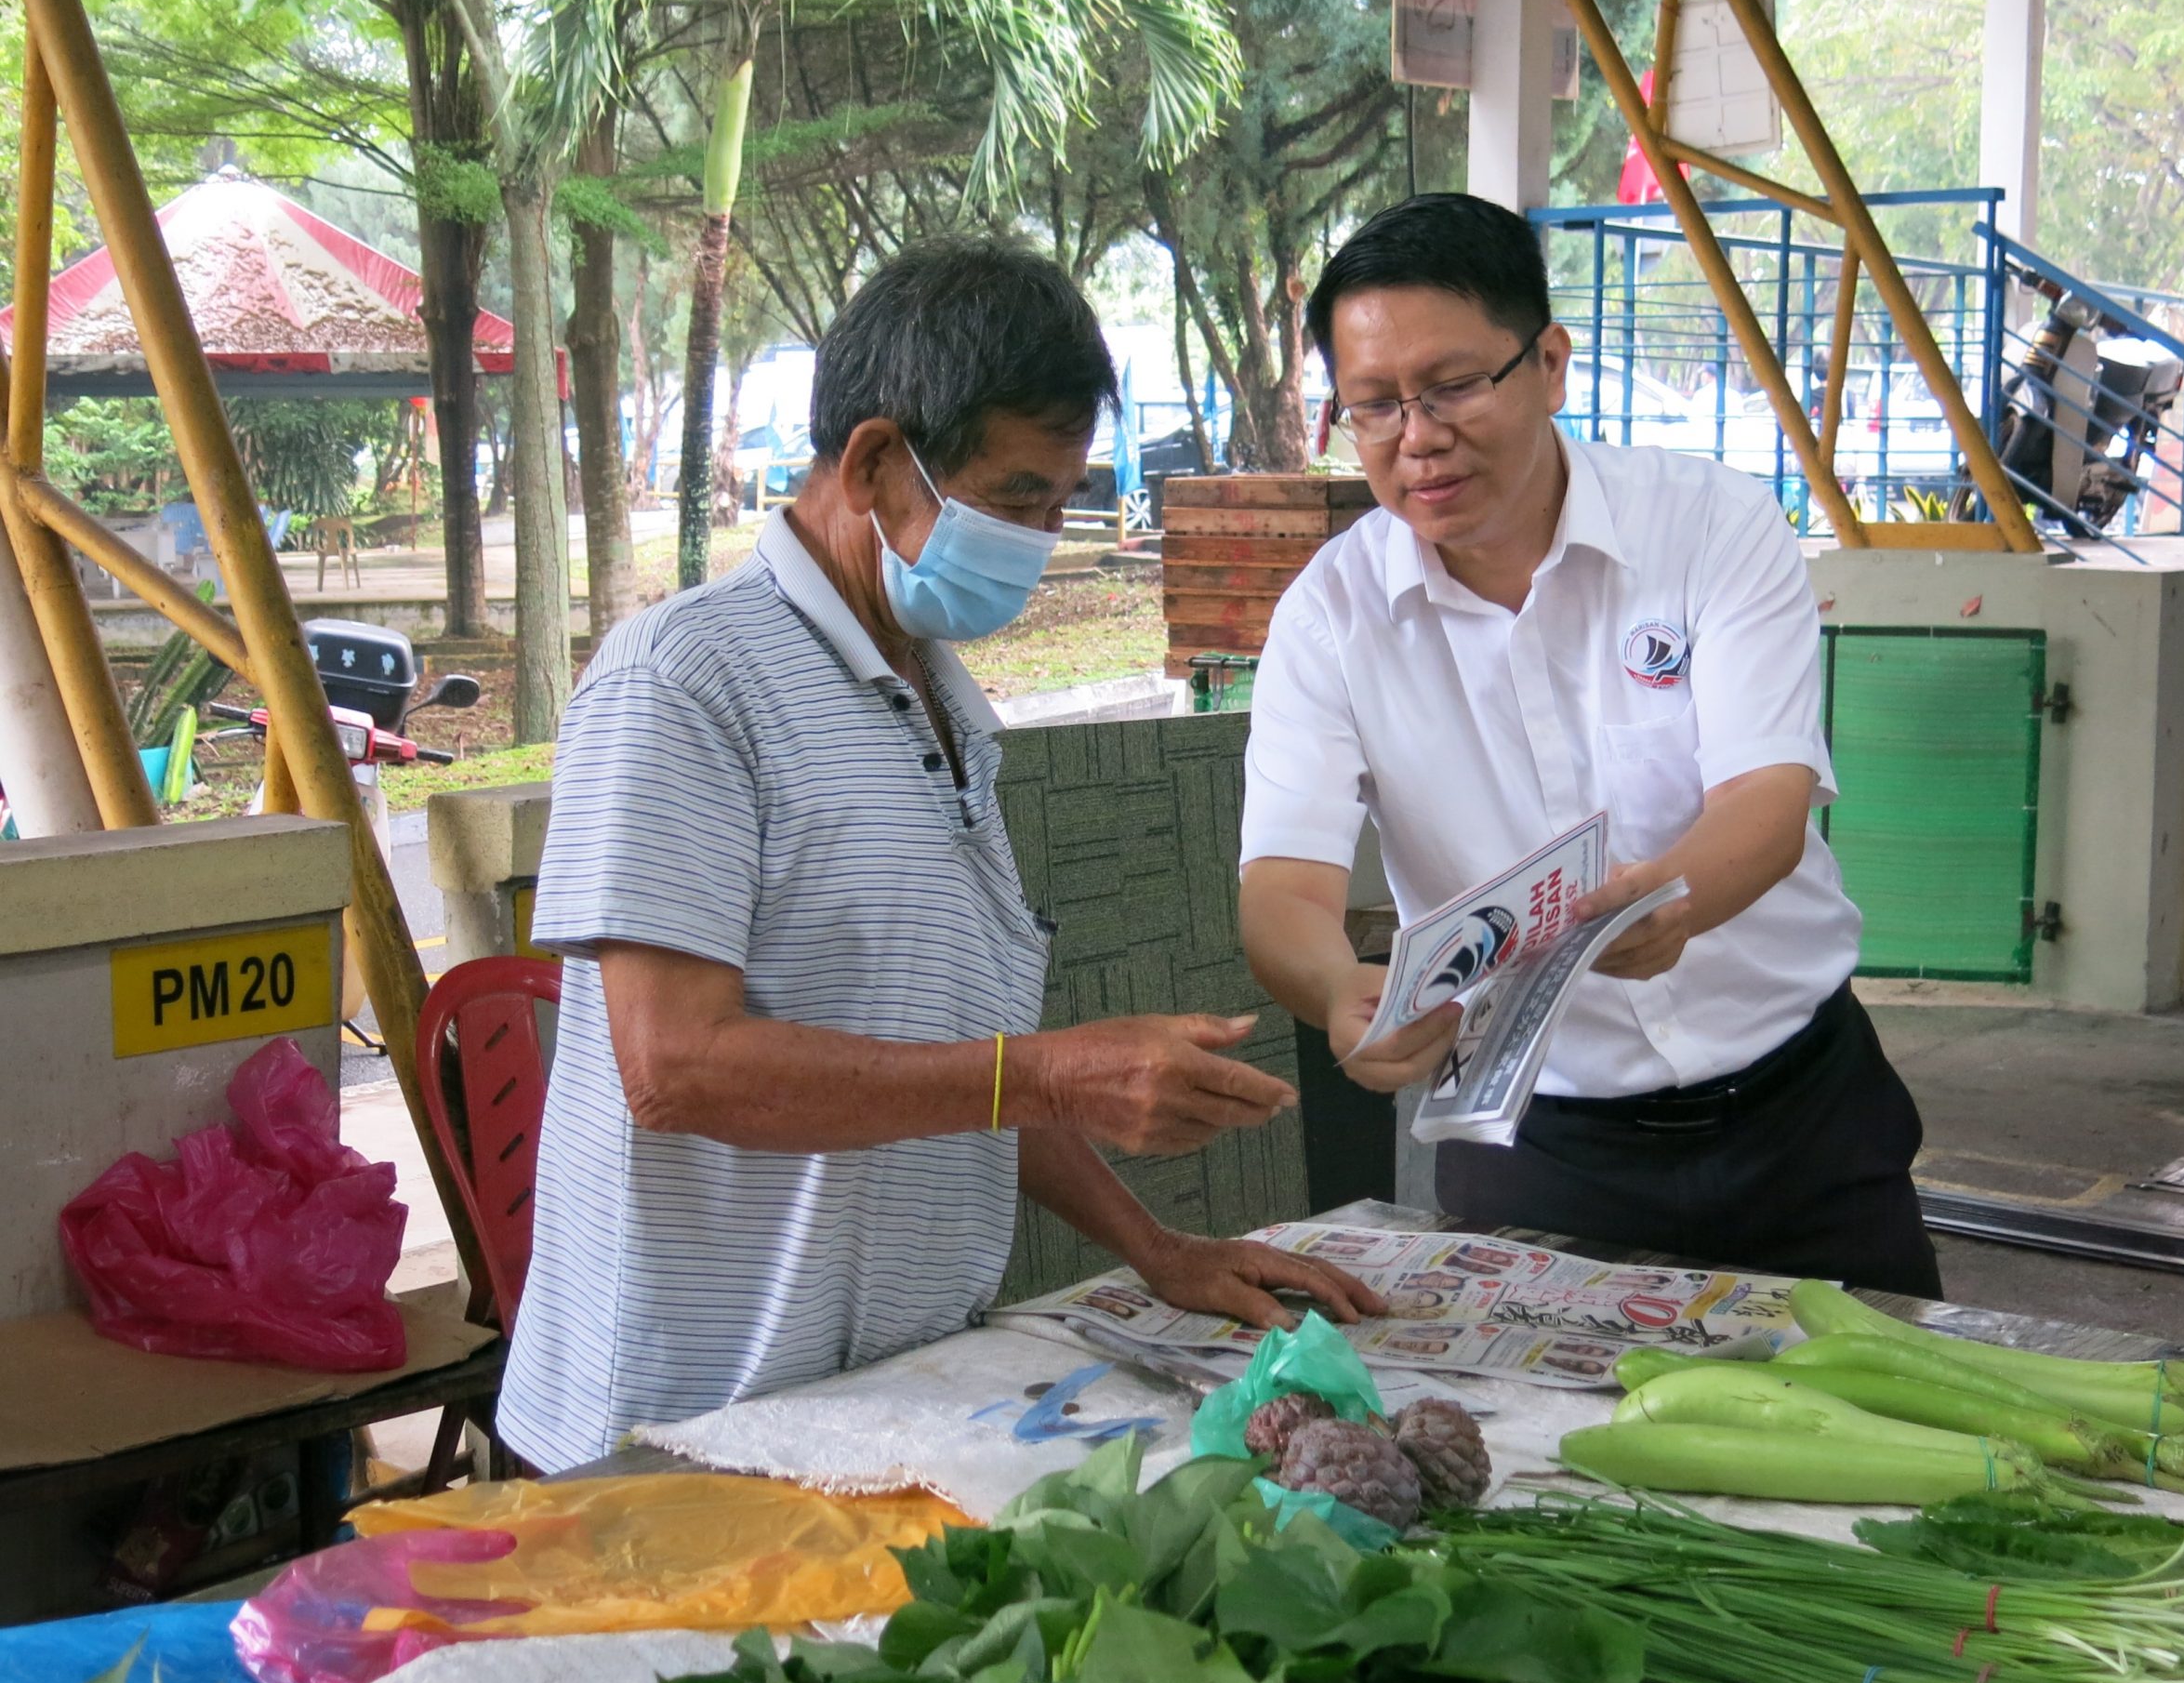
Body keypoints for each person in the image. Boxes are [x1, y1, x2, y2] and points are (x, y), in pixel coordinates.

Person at [499, 238, 1380, 1474]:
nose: (1041, 537)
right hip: (678, 1415)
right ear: (872, 463)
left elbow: (955, 1066)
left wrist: (1157, 1248)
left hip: (876, 1399)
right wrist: (1049, 1073)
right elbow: (676, 1066)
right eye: (1017, 498)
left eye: (1061, 499)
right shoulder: (683, 681)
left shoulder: (948, 706)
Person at [1237, 193, 1939, 1297]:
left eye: (1454, 385)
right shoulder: (1331, 616)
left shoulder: (1708, 524)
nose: (1418, 437)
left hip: (1800, 1118)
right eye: (1373, 406)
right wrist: (1338, 990)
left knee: (1900, 1441)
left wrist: (1676, 897)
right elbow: (1281, 884)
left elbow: (1767, 795)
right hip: (1538, 1151)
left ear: (1550, 364)